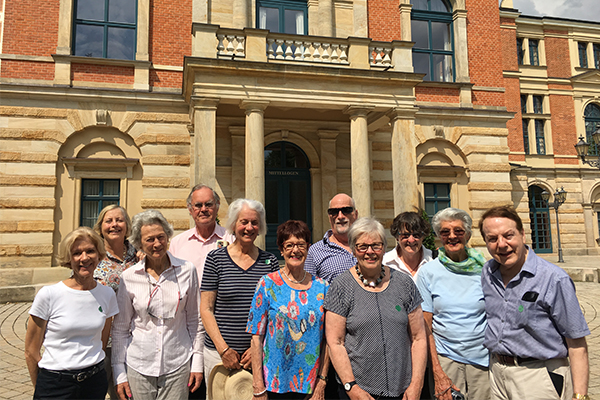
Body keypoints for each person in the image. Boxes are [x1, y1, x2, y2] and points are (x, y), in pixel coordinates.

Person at [479, 206, 590, 400]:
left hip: (538, 377)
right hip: (497, 374)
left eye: (508, 235)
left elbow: (576, 342)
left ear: (522, 234)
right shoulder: (488, 273)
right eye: (493, 239)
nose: (502, 244)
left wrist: (580, 395)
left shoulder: (553, 279)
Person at [325, 217, 427, 400]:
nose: (369, 252)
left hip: (402, 390)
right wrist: (352, 387)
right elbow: (335, 342)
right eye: (362, 246)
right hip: (359, 391)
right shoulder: (340, 286)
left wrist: (416, 385)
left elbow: (419, 338)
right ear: (353, 250)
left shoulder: (404, 283)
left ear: (384, 248)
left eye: (376, 246)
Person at [111, 209, 203, 400]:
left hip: (177, 364)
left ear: (168, 236)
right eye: (149, 240)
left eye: (161, 237)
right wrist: (119, 372)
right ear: (139, 243)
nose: (157, 244)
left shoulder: (187, 270)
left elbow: (195, 320)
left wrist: (197, 362)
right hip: (139, 365)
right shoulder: (129, 277)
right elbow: (120, 329)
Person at [24, 227, 119, 400]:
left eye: (90, 251)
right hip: (55, 383)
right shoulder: (49, 294)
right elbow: (31, 350)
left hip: (94, 382)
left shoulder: (107, 295)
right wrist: (42, 387)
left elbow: (101, 343)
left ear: (99, 255)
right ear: (68, 258)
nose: (84, 258)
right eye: (77, 253)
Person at [200, 198, 279, 398]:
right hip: (218, 356)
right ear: (234, 224)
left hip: (256, 357)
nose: (249, 227)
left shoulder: (269, 262)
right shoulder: (215, 259)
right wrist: (224, 349)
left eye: (254, 222)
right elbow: (206, 308)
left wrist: (257, 350)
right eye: (244, 222)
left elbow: (275, 314)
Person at [247, 220, 329, 400]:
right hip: (274, 384)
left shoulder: (322, 287)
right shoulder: (267, 284)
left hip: (310, 385)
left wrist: (321, 382)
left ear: (308, 248)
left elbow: (328, 340)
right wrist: (258, 384)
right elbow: (256, 336)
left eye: (301, 245)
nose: (295, 250)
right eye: (289, 245)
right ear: (281, 249)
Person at [416, 208, 489, 400]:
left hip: (483, 360)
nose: (452, 236)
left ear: (467, 234)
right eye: (445, 232)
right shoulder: (428, 272)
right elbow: (426, 326)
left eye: (458, 231)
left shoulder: (485, 270)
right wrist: (437, 370)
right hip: (446, 359)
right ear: (439, 236)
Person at [169, 184, 235, 399]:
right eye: (198, 205)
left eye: (209, 204)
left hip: (223, 325)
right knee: (190, 386)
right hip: (185, 326)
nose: (203, 209)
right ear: (190, 209)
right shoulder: (178, 243)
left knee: (220, 388)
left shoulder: (231, 239)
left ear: (217, 207)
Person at [93, 205, 139, 399]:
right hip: (101, 341)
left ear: (127, 226)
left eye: (119, 220)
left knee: (127, 395)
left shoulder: (138, 255)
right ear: (101, 227)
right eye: (108, 221)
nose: (114, 225)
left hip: (133, 339)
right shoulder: (92, 255)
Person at [305, 193, 358, 284]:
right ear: (329, 217)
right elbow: (308, 289)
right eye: (334, 212)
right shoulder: (314, 252)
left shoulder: (369, 247)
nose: (340, 216)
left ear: (355, 214)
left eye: (346, 210)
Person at [383, 211, 434, 280]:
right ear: (397, 237)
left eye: (416, 235)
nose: (411, 240)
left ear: (423, 237)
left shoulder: (433, 260)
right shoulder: (385, 262)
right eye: (405, 235)